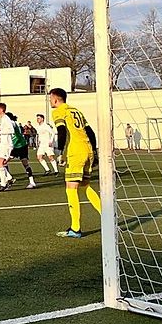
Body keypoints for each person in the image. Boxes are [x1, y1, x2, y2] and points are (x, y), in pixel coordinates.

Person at [50, 88, 102, 238]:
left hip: (76, 152)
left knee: (71, 189)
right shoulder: (76, 110)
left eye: (50, 99)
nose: (50, 102)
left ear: (55, 99)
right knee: (85, 186)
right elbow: (90, 132)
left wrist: (60, 152)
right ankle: (108, 219)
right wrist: (94, 152)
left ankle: (75, 228)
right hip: (88, 150)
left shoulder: (59, 111)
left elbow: (61, 131)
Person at [7, 111, 37, 189]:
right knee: (25, 164)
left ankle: (9, 178)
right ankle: (32, 182)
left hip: (18, 146)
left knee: (3, 162)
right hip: (22, 145)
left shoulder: (12, 123)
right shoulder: (11, 123)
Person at [0, 104, 15, 191]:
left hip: (7, 145)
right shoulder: (3, 119)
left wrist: (0, 132)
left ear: (2, 110)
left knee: (0, 163)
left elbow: (11, 130)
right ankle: (9, 178)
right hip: (3, 145)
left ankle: (3, 184)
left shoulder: (6, 118)